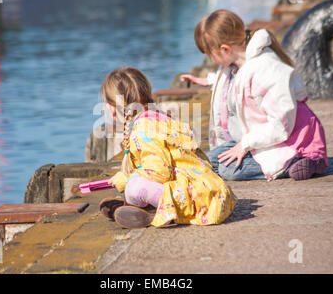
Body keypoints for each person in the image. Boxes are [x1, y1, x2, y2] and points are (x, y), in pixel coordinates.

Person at [183, 9, 328, 181]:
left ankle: (303, 160)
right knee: (207, 161)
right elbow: (237, 84)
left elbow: (281, 124)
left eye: (209, 54)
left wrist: (244, 145)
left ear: (225, 49)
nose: (210, 59)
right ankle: (283, 161)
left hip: (291, 140)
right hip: (256, 137)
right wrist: (209, 81)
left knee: (228, 169)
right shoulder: (238, 64)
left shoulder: (267, 70)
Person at [99, 67, 237, 229]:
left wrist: (125, 179)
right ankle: (138, 208)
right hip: (208, 193)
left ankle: (156, 211)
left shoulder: (144, 129)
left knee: (133, 187)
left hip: (201, 202)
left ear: (112, 109)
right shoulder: (159, 118)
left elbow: (159, 172)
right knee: (134, 184)